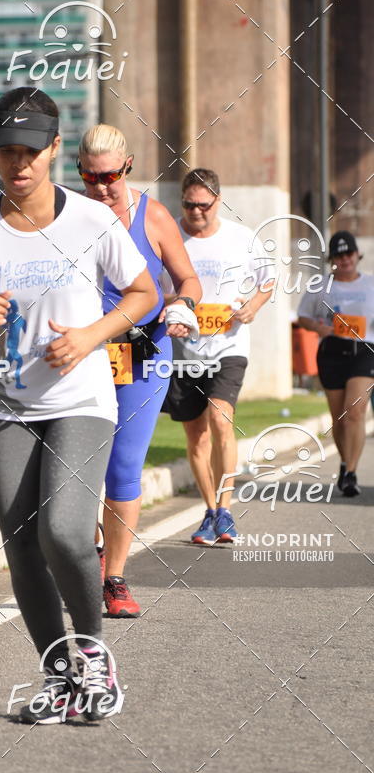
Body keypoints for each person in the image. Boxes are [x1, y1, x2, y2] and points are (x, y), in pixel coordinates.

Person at [0, 87, 158, 724]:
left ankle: (93, 650)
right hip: (4, 405)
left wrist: (91, 335)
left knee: (63, 529)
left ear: (56, 148)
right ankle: (60, 679)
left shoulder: (91, 220)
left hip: (82, 398)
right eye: (6, 151)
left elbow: (143, 292)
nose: (19, 163)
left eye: (31, 151)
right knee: (23, 544)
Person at [77, 125, 201, 618]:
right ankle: (85, 556)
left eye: (109, 176)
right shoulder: (69, 215)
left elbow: (186, 276)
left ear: (127, 167)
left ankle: (115, 578)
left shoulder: (153, 216)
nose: (101, 187)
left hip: (144, 356)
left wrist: (184, 305)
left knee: (123, 470)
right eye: (89, 177)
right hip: (82, 356)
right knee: (75, 472)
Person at [161, 167, 274, 545]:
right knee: (195, 435)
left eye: (204, 206)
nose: (196, 213)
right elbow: (150, 287)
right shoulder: (169, 235)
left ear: (218, 201)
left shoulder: (241, 238)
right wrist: (171, 306)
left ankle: (225, 509)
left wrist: (253, 308)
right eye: (189, 205)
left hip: (229, 346)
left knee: (220, 419)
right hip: (184, 350)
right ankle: (209, 511)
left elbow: (267, 281)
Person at [297, 231, 374, 497]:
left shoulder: (371, 284)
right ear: (333, 259)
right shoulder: (320, 286)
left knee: (355, 411)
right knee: (339, 418)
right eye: (339, 256)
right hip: (331, 351)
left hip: (365, 350)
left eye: (349, 254)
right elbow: (303, 315)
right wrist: (319, 327)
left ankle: (351, 472)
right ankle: (344, 462)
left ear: (357, 255)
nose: (345, 260)